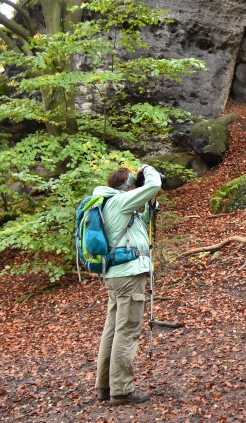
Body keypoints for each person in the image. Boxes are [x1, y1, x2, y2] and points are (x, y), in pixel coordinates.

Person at [93, 164, 162, 406]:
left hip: (117, 275)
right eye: (135, 184)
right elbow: (155, 184)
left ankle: (105, 385)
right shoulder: (120, 202)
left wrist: (149, 208)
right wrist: (149, 171)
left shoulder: (113, 203)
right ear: (128, 185)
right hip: (128, 276)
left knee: (112, 330)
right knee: (128, 330)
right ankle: (121, 390)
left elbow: (136, 229)